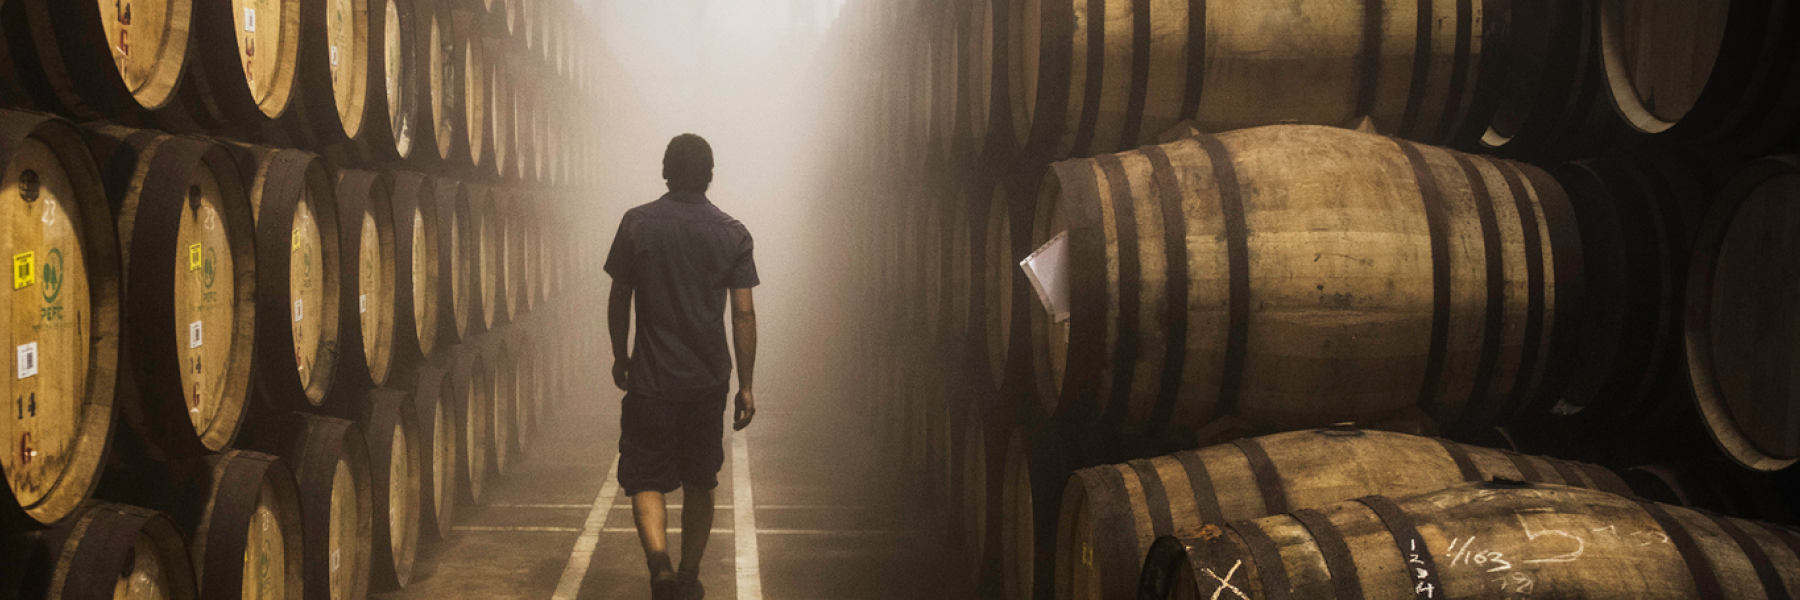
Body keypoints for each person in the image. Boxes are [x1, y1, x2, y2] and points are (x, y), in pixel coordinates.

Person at [605, 134, 758, 600]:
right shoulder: (733, 233)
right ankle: (689, 577)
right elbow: (743, 313)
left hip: (652, 379)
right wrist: (746, 386)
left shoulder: (637, 224)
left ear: (666, 171)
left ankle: (660, 568)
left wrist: (620, 353)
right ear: (710, 175)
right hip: (707, 381)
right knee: (699, 478)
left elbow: (620, 297)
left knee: (645, 476)